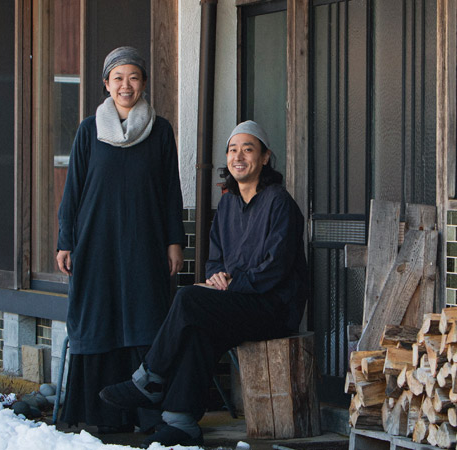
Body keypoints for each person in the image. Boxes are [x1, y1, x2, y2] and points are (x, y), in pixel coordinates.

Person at [99, 120, 309, 447]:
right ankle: (180, 421)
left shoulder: (279, 202)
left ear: (266, 157)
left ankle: (150, 378)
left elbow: (276, 269)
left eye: (248, 149)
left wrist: (229, 284)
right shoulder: (226, 204)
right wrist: (215, 277)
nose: (238, 156)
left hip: (273, 307)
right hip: (237, 302)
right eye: (232, 149)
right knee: (196, 324)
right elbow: (214, 259)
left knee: (188, 300)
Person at [56, 46, 185, 434]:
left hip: (145, 241)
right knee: (99, 318)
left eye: (133, 77)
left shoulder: (160, 131)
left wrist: (174, 241)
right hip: (95, 244)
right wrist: (67, 240)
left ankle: (145, 414)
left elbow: (170, 192)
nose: (125, 85)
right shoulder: (88, 130)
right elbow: (73, 191)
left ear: (143, 83)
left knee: (146, 317)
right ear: (106, 85)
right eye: (118, 78)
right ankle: (99, 413)